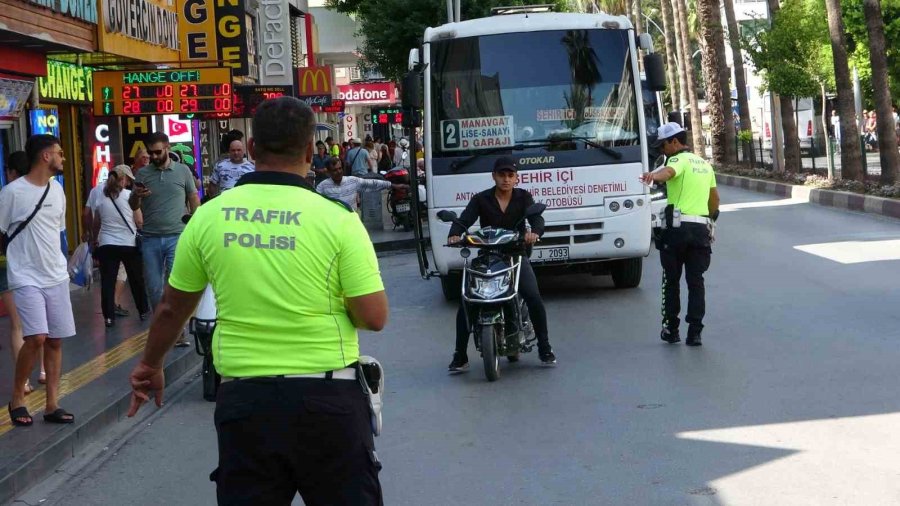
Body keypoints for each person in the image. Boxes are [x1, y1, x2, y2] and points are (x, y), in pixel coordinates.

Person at [127, 96, 388, 505]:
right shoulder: (338, 219)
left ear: (250, 150)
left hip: (245, 405)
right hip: (329, 401)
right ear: (308, 151)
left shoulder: (209, 216)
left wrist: (149, 365)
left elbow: (172, 307)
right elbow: (373, 317)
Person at [447, 156, 556, 371]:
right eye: (501, 175)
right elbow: (465, 219)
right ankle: (460, 355)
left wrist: (534, 233)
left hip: (515, 255)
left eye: (510, 175)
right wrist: (455, 233)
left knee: (533, 296)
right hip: (488, 256)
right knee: (467, 301)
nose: (506, 179)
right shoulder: (480, 199)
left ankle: (545, 347)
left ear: (516, 178)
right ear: (494, 176)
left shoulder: (524, 197)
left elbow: (537, 219)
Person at [1, 135, 77, 426]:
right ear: (46, 157)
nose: (62, 157)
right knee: (36, 337)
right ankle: (17, 398)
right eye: (59, 152)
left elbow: (59, 233)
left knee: (55, 339)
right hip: (24, 275)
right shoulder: (12, 193)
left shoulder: (57, 191)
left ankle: (51, 404)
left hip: (55, 275)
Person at [640, 122, 719, 347]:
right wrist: (711, 220)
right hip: (701, 230)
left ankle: (671, 329)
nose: (662, 150)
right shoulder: (705, 164)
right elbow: (715, 200)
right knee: (696, 282)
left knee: (671, 280)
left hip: (677, 231)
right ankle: (695, 332)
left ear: (675, 141)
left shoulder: (677, 159)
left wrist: (652, 176)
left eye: (663, 145)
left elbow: (669, 172)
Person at [129, 132, 200, 347]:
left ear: (167, 147)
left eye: (158, 152)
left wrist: (195, 224)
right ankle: (163, 326)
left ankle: (176, 331)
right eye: (151, 153)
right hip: (150, 238)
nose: (155, 156)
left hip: (176, 236)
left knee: (174, 286)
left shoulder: (182, 171)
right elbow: (133, 206)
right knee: (153, 288)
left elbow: (193, 197)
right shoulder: (143, 174)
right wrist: (137, 196)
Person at [2, 151, 44, 394]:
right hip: (35, 266)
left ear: (11, 172)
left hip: (8, 264)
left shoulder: (7, 195)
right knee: (38, 323)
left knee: (18, 326)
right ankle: (43, 370)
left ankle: (24, 381)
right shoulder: (42, 192)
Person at [91, 165, 150, 328]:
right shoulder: (130, 196)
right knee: (136, 279)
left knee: (108, 282)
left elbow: (96, 223)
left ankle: (108, 317)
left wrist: (94, 240)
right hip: (129, 244)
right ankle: (143, 310)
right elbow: (139, 221)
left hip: (107, 244)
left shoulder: (100, 197)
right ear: (123, 179)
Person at [317, 157, 407, 211]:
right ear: (328, 172)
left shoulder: (352, 181)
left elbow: (372, 183)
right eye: (335, 170)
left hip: (351, 222)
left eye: (340, 168)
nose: (338, 171)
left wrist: (393, 185)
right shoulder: (322, 186)